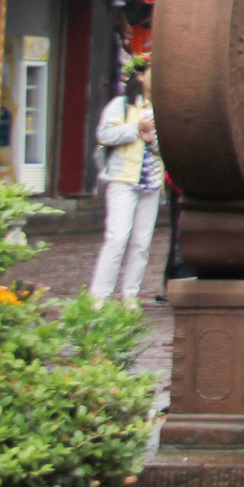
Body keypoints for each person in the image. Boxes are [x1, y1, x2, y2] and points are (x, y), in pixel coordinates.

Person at [88, 56, 159, 303]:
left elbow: (170, 145)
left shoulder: (161, 107)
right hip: (123, 179)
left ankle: (130, 295)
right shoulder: (122, 104)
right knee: (117, 238)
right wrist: (136, 129)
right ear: (140, 75)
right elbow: (104, 134)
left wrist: (152, 139)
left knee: (142, 243)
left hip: (151, 182)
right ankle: (99, 296)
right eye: (152, 71)